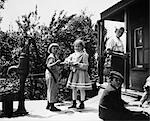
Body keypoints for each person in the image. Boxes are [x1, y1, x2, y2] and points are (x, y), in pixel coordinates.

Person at [62, 39, 92, 109]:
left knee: (81, 88)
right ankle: (74, 102)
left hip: (81, 73)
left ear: (82, 47)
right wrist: (69, 62)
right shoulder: (73, 55)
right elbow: (66, 60)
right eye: (76, 46)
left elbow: (86, 65)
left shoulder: (84, 55)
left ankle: (82, 102)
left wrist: (77, 64)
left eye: (79, 46)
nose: (77, 48)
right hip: (74, 73)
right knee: (74, 88)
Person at [45, 43, 61, 111]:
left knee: (50, 89)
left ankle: (49, 104)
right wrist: (56, 63)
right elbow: (49, 66)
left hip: (52, 75)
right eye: (54, 48)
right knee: (52, 89)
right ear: (50, 49)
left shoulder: (54, 56)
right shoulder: (51, 57)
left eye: (56, 48)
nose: (55, 50)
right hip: (51, 75)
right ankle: (52, 105)